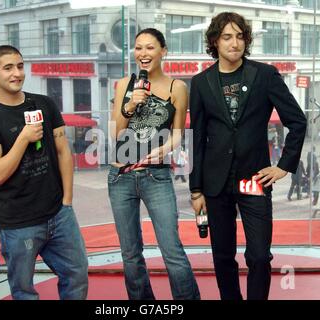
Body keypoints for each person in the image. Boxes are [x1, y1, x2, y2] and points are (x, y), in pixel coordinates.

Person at [189, 12, 307, 300]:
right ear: (215, 41)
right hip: (216, 182)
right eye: (227, 37)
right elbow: (198, 139)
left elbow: (297, 121)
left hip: (254, 179)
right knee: (223, 257)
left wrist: (283, 167)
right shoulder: (201, 82)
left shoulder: (264, 75)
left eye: (240, 36)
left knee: (257, 256)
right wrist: (196, 189)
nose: (235, 43)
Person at [0, 45, 88, 300]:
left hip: (59, 215)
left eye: (20, 66)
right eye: (8, 68)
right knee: (24, 291)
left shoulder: (45, 104)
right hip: (18, 224)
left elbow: (63, 152)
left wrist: (67, 202)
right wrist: (24, 138)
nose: (17, 73)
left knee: (77, 274)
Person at [108, 28, 200, 300]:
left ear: (163, 51)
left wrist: (163, 150)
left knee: (172, 250)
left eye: (150, 48)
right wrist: (130, 105)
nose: (143, 54)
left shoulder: (177, 87)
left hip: (155, 176)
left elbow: (178, 134)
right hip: (119, 176)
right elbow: (116, 133)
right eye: (138, 48)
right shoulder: (125, 84)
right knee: (131, 254)